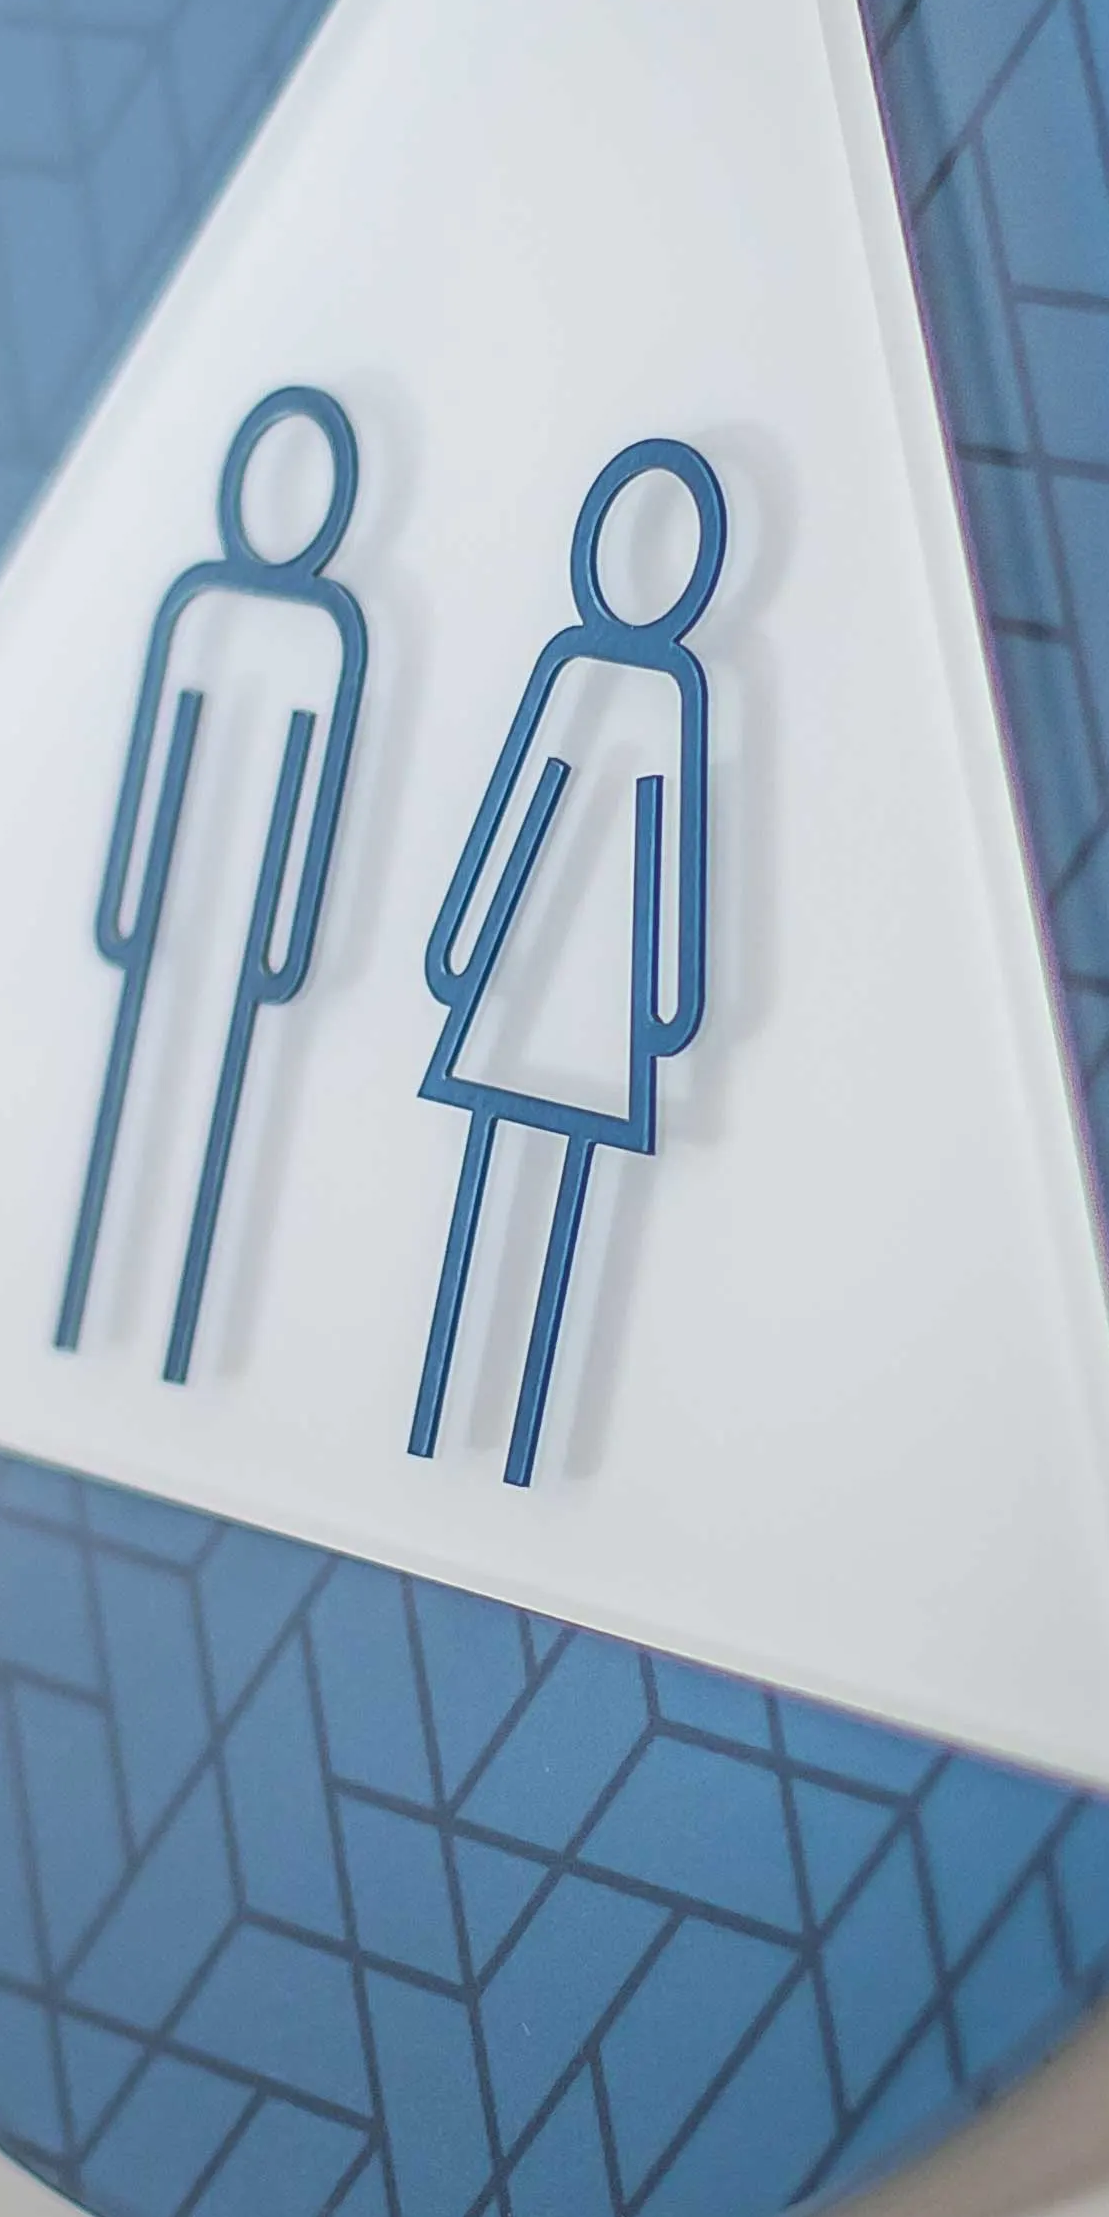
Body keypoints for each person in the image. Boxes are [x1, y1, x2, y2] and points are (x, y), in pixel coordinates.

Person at [407, 437, 724, 1488]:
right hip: (535, 952)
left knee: (563, 1178)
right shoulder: (574, 669)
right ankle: (447, 1403)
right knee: (493, 1157)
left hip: (592, 962)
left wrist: (665, 1009)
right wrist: (460, 952)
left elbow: (672, 841)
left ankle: (511, 1433)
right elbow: (513, 801)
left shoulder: (670, 690)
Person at [61, 385, 371, 1380]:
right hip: (177, 898)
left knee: (210, 1107)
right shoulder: (208, 607)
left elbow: (312, 795)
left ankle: (166, 1325)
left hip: (241, 913)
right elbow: (159, 745)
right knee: (137, 1088)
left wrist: (280, 953)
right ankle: (102, 1300)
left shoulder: (321, 631)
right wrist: (124, 917)